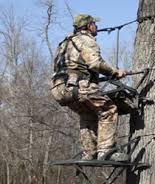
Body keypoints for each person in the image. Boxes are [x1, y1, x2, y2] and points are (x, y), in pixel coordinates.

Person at [50, 14, 128, 161]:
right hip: (79, 86)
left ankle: (89, 153)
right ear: (88, 26)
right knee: (108, 110)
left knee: (88, 114)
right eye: (94, 24)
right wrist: (114, 72)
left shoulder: (64, 43)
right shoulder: (86, 40)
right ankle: (106, 151)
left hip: (59, 89)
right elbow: (95, 63)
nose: (96, 27)